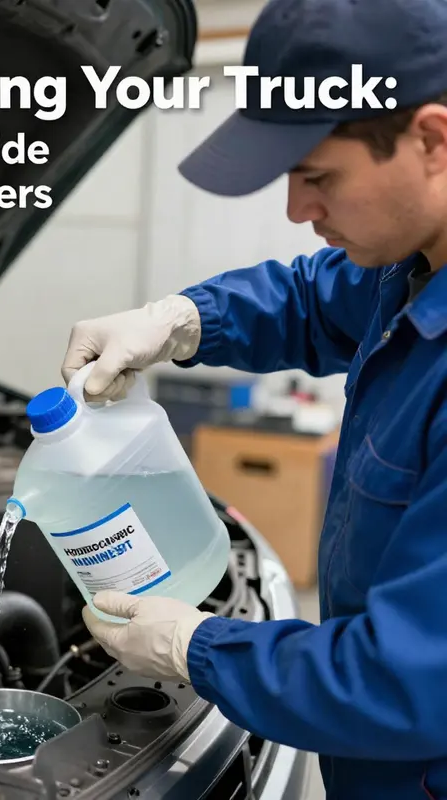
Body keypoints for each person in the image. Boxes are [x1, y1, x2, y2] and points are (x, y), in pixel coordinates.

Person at [60, 0, 447, 797]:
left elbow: (407, 680)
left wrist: (198, 648)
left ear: (433, 141)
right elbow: (309, 299)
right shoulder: (411, 262)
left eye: (318, 176)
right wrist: (179, 320)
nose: (297, 211)